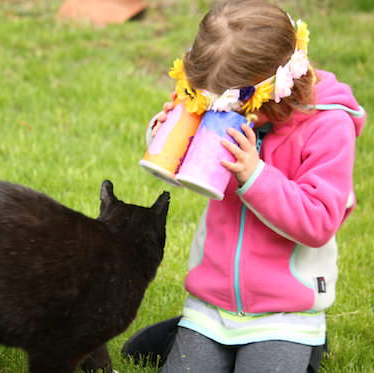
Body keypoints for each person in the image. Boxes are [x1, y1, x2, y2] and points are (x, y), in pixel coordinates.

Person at [124, 0, 366, 372]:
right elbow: (194, 160)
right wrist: (167, 134)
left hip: (286, 311)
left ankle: (307, 348)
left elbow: (318, 222)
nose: (217, 114)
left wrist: (256, 175)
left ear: (272, 88)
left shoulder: (328, 126)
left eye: (226, 105)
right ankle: (189, 335)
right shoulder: (228, 102)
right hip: (212, 303)